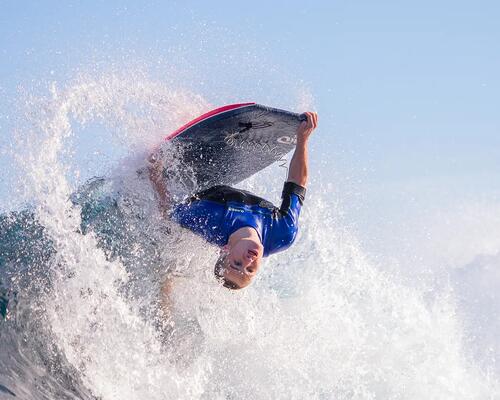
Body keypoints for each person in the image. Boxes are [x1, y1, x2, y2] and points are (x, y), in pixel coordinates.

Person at [148, 111, 318, 290]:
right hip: (222, 178)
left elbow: (168, 210)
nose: (248, 261)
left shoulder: (209, 220)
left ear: (225, 250)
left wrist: (155, 173)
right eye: (250, 269)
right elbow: (297, 184)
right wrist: (303, 140)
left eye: (236, 263)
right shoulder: (282, 234)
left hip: (198, 184)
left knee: (168, 253)